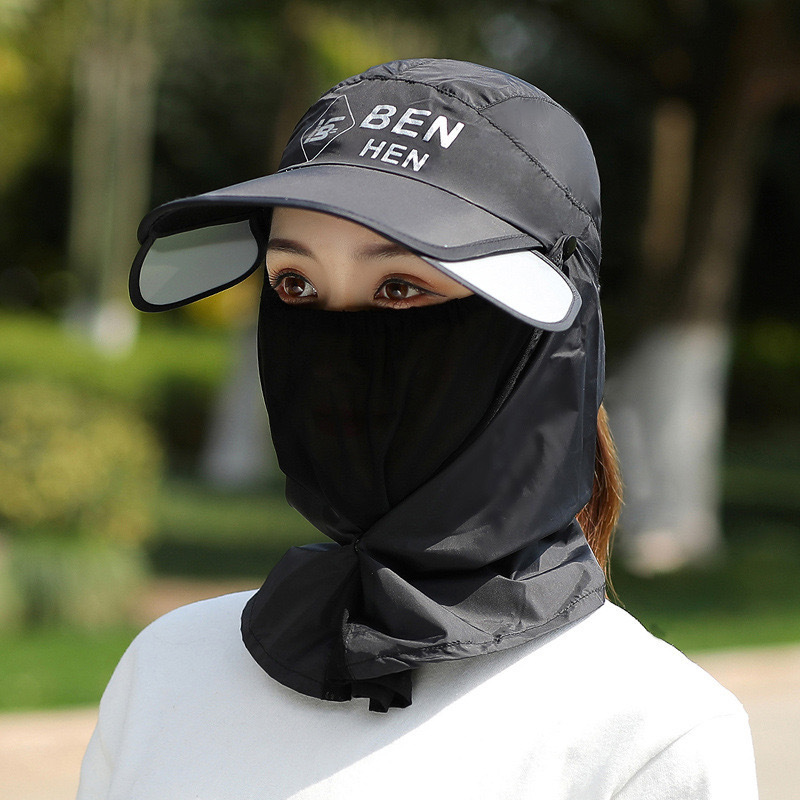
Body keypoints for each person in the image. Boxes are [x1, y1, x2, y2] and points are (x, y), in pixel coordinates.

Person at [77, 59, 758, 799]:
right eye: (295, 284)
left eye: (400, 287)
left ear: (537, 347)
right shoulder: (166, 670)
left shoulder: (649, 735)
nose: (337, 350)